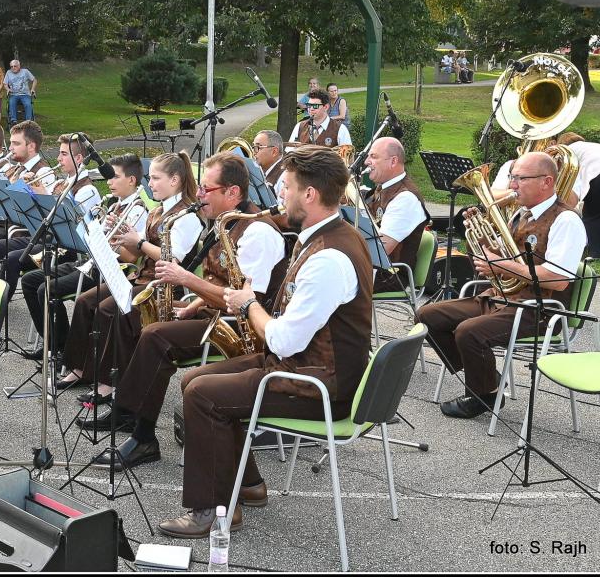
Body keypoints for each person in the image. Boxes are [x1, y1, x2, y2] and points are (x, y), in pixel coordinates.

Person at [158, 145, 373, 539]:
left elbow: (284, 339)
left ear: (309, 195)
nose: (279, 196)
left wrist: (249, 304)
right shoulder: (331, 236)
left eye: (286, 187)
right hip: (308, 367)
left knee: (204, 396)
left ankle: (214, 510)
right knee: (194, 381)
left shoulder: (328, 257)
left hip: (321, 385)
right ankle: (250, 486)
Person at [100, 153, 287, 464]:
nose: (199, 195)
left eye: (206, 189)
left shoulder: (258, 232)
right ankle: (128, 410)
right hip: (212, 311)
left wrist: (188, 281)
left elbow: (246, 299)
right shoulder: (223, 222)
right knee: (132, 312)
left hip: (240, 328)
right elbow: (221, 277)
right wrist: (192, 305)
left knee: (156, 337)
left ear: (233, 193)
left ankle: (141, 432)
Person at [417, 151, 587, 419]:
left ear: (547, 181)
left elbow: (558, 279)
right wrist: (477, 233)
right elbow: (502, 257)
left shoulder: (566, 220)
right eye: (512, 177)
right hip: (501, 297)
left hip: (539, 308)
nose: (512, 185)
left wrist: (501, 266)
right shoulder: (520, 213)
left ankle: (483, 395)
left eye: (520, 178)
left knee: (468, 332)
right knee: (426, 316)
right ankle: (486, 377)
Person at [59, 152, 203, 406]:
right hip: (142, 278)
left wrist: (140, 242)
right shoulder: (159, 209)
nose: (150, 184)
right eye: (150, 178)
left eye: (156, 178)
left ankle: (109, 384)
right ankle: (82, 369)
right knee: (85, 301)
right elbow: (137, 251)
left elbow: (171, 260)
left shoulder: (187, 217)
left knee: (108, 310)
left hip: (166, 288)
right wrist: (124, 235)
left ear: (175, 180)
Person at [21, 154, 149, 363]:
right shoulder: (115, 205)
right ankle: (52, 341)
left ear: (132, 180)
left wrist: (105, 242)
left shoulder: (138, 210)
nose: (109, 182)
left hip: (112, 269)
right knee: (30, 280)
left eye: (115, 177)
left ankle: (65, 349)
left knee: (47, 289)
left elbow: (131, 258)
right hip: (94, 261)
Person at [0, 131, 98, 297]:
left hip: (65, 248)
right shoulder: (63, 182)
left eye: (63, 154)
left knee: (12, 259)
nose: (58, 159)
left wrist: (43, 195)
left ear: (78, 159)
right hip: (43, 237)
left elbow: (77, 228)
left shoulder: (86, 190)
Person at [363, 137, 431, 293]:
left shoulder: (405, 198)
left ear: (393, 162)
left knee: (329, 280)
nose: (367, 161)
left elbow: (382, 249)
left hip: (390, 275)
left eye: (373, 156)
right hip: (374, 268)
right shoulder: (383, 188)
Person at [556, 132, 600, 257]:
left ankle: (597, 254)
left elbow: (570, 180)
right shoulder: (593, 145)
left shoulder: (567, 152)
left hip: (598, 175)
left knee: (592, 217)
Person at [288, 89, 353, 148]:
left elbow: (347, 157)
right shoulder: (300, 126)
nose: (311, 109)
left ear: (326, 107)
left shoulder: (340, 129)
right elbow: (289, 152)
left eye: (315, 106)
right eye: (309, 105)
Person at [0, 59, 37, 124]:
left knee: (28, 104)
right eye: (11, 66)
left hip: (25, 94)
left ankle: (28, 121)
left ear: (19, 66)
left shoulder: (25, 71)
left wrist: (33, 89)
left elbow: (34, 80)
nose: (13, 68)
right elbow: (5, 83)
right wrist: (8, 89)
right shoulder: (8, 72)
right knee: (11, 103)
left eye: (15, 66)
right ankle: (13, 120)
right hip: (13, 94)